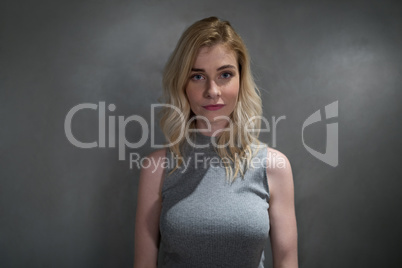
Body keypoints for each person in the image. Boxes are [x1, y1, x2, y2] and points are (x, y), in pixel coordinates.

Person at [134, 16, 298, 268]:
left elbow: (287, 262)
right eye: (197, 76)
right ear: (182, 84)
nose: (213, 90)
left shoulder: (274, 166)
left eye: (225, 74)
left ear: (241, 80)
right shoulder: (156, 168)